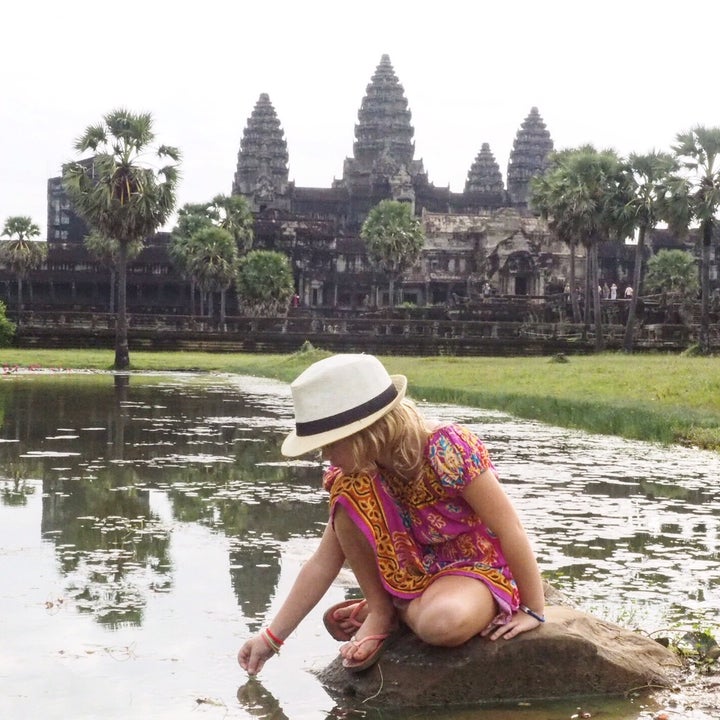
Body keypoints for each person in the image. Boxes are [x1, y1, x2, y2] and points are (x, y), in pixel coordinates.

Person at [237, 354, 545, 676]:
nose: (325, 455)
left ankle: (397, 606)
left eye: (328, 444)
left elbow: (510, 528)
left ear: (365, 432)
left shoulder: (447, 449)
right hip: (412, 569)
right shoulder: (356, 474)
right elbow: (323, 561)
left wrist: (532, 609)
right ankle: (381, 609)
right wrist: (271, 638)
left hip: (473, 566)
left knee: (442, 625)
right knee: (346, 492)